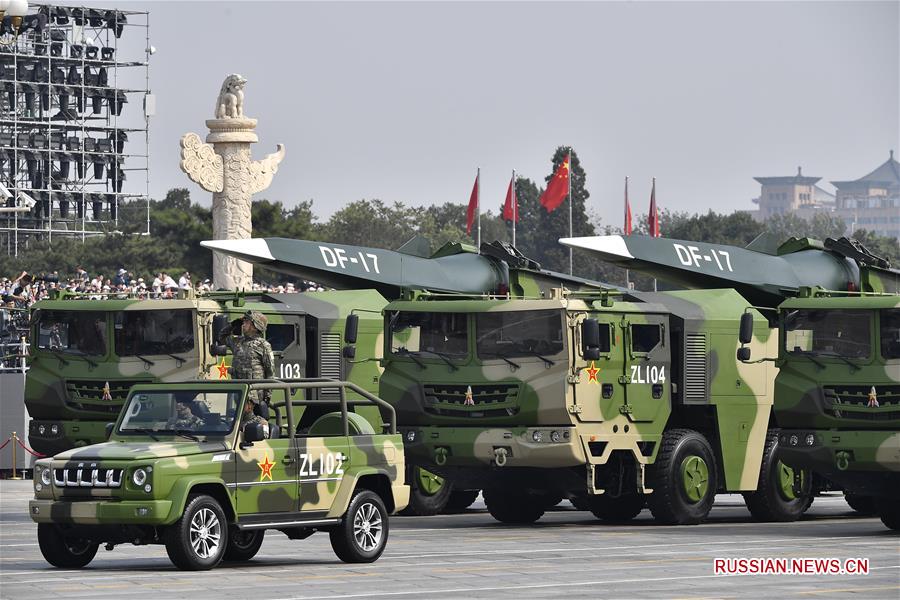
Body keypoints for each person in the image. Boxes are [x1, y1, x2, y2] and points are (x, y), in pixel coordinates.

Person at [218, 310, 274, 436]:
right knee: (239, 418)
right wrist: (233, 325)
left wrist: (267, 396)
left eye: (247, 322)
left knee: (248, 415)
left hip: (254, 390)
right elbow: (221, 337)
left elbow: (270, 371)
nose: (243, 325)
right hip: (238, 387)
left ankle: (262, 430)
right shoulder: (238, 342)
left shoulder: (263, 345)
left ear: (255, 326)